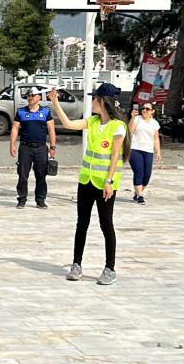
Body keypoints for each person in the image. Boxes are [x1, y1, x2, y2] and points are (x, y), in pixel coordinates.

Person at [49, 83, 131, 286]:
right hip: (86, 180)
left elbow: (115, 156)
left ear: (103, 101)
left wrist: (109, 181)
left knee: (106, 225)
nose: (92, 102)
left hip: (105, 184)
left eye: (95, 98)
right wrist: (54, 102)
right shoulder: (93, 122)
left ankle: (110, 268)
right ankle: (76, 264)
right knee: (81, 224)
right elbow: (68, 124)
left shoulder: (118, 126)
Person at [9, 87, 57, 209]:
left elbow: (51, 129)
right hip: (25, 148)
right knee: (23, 175)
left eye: (33, 96)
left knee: (41, 175)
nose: (30, 98)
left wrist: (52, 146)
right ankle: (22, 199)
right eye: (28, 96)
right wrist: (12, 144)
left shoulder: (46, 112)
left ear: (38, 98)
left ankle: (40, 200)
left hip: (41, 148)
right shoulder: (21, 112)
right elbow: (15, 128)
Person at [128, 102, 162, 204]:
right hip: (134, 149)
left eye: (147, 109)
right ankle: (140, 196)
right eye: (143, 108)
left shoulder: (154, 123)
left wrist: (158, 152)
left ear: (152, 111)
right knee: (139, 171)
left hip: (148, 150)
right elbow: (130, 131)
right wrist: (132, 118)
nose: (144, 110)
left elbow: (156, 139)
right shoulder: (137, 119)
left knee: (147, 175)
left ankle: (138, 192)